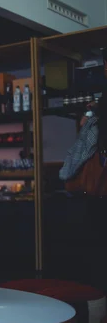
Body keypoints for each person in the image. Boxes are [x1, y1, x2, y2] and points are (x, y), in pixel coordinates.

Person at [60, 92, 107, 290]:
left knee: (97, 251)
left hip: (99, 195)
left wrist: (88, 121)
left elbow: (79, 156)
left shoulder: (95, 123)